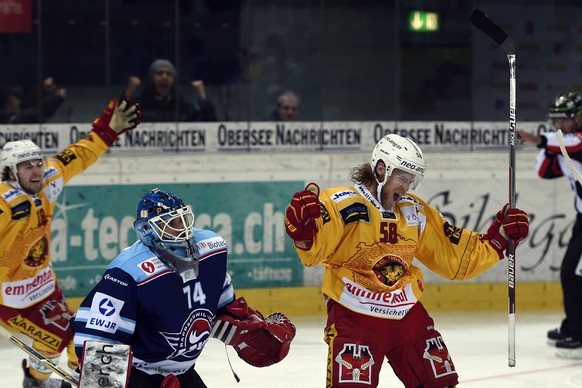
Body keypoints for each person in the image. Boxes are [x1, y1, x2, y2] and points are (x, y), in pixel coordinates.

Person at [284, 133, 529, 387]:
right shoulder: (341, 204)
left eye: (411, 181)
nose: (407, 187)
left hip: (407, 313)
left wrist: (498, 241)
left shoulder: (415, 210)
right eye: (402, 178)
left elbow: (452, 256)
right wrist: (303, 230)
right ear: (381, 169)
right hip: (354, 313)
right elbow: (315, 247)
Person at [72, 188, 296, 388]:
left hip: (184, 373)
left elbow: (222, 308)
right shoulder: (129, 272)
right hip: (138, 374)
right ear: (147, 230)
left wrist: (246, 329)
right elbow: (97, 336)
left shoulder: (211, 250)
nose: (184, 230)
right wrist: (104, 383)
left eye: (183, 220)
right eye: (172, 224)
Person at [0, 98, 140, 388]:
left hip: (45, 286)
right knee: (76, 335)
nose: (37, 170)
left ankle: (36, 381)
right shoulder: (3, 202)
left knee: (62, 341)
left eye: (38, 163)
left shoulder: (48, 178)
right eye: (27, 166)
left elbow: (77, 156)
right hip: (11, 302)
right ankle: (98, 383)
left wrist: (107, 130)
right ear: (10, 173)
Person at [518, 91, 582, 355]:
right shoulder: (563, 143)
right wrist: (546, 144)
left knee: (572, 272)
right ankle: (572, 326)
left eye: (564, 119)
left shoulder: (574, 142)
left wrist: (542, 140)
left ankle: (578, 331)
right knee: (572, 272)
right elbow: (544, 171)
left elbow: (571, 143)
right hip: (581, 219)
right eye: (554, 119)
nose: (559, 125)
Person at [123, 58, 217, 122]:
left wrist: (202, 96)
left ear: (173, 79)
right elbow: (119, 122)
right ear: (152, 78)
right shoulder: (140, 105)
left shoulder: (182, 106)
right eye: (160, 73)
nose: (165, 77)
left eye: (169, 74)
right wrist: (129, 92)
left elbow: (209, 123)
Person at [0, 77, 66, 124]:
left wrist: (43, 90)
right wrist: (55, 97)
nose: (19, 101)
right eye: (15, 99)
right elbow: (36, 111)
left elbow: (28, 101)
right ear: (8, 106)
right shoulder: (14, 121)